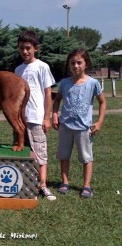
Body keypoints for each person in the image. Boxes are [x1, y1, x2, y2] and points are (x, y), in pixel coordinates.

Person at [52, 49, 106, 198]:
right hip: (65, 127)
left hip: (84, 128)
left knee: (86, 157)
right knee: (64, 155)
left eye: (79, 62)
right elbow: (57, 100)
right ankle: (65, 182)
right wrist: (55, 115)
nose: (75, 66)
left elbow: (102, 102)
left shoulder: (93, 83)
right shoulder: (64, 83)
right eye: (72, 63)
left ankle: (86, 186)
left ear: (86, 64)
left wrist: (99, 122)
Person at [15, 30, 56, 201]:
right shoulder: (18, 69)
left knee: (40, 151)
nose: (25, 52)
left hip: (36, 117)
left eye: (28, 48)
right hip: (20, 119)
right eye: (21, 48)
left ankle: (43, 185)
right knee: (23, 150)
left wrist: (46, 117)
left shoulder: (42, 66)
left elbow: (48, 94)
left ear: (35, 48)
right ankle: (27, 183)